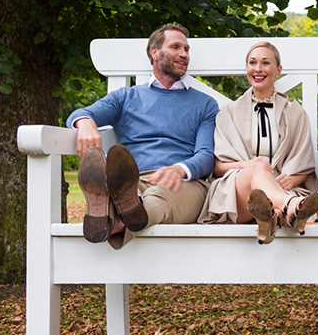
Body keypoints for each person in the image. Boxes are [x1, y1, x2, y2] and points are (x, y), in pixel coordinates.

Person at [66, 22, 219, 249]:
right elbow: (81, 113)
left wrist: (180, 169)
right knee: (129, 192)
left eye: (186, 49)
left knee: (159, 197)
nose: (184, 54)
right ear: (155, 52)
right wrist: (85, 122)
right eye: (176, 47)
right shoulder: (126, 97)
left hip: (183, 184)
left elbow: (206, 155)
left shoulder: (205, 104)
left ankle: (112, 221)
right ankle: (120, 207)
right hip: (131, 181)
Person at [198, 41, 318, 243]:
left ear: (278, 70)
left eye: (265, 63)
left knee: (269, 187)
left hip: (283, 187)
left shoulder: (295, 113)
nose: (258, 69)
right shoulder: (228, 114)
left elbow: (304, 164)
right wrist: (251, 166)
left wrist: (292, 179)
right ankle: (291, 207)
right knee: (259, 169)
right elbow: (219, 167)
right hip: (237, 194)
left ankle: (271, 217)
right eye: (252, 63)